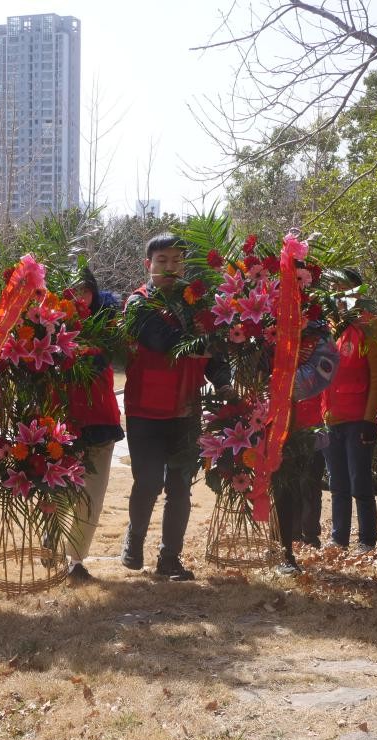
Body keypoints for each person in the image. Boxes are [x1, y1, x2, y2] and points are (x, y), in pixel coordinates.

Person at [121, 233, 232, 581]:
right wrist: (206, 346)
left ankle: (170, 558)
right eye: (162, 261)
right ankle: (135, 538)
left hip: (185, 411)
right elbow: (165, 342)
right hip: (145, 411)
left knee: (180, 487)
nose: (170, 268)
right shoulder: (139, 304)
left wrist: (223, 379)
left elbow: (218, 350)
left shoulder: (197, 306)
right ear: (148, 265)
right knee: (149, 482)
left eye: (177, 261)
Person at [321, 271, 377, 552]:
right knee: (336, 482)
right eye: (334, 290)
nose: (339, 295)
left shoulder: (372, 326)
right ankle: (339, 537)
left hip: (357, 418)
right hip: (330, 417)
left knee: (359, 480)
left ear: (358, 291)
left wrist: (370, 419)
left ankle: (366, 539)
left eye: (344, 289)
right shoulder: (328, 326)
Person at [63, 267, 124, 581]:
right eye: (71, 291)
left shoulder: (108, 322)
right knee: (58, 491)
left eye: (84, 290)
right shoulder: (45, 324)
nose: (78, 298)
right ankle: (52, 546)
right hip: (59, 420)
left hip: (99, 417)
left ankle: (75, 559)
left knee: (91, 494)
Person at [273, 316, 339, 573]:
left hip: (305, 421)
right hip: (269, 417)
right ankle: (281, 543)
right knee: (278, 485)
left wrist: (283, 382)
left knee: (305, 483)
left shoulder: (318, 326)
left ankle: (304, 538)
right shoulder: (267, 317)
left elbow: (324, 368)